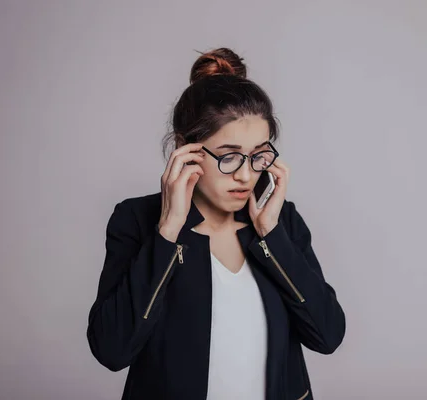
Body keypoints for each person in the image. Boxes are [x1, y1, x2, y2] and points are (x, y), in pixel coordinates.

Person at [86, 47, 346, 400]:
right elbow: (112, 351)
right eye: (229, 157)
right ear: (185, 149)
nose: (245, 174)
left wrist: (271, 236)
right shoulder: (137, 220)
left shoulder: (280, 218)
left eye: (258, 156)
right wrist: (168, 231)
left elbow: (328, 336)